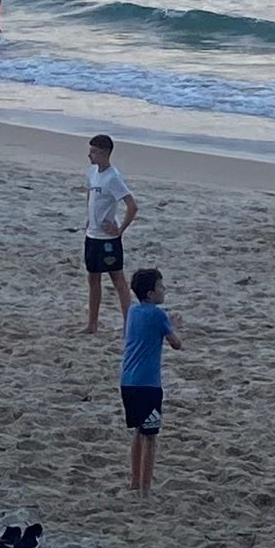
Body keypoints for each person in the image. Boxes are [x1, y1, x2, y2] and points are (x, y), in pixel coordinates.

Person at [119, 265, 178, 495]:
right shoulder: (158, 314)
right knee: (151, 437)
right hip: (148, 384)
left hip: (127, 381)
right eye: (161, 286)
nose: (164, 290)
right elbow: (176, 343)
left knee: (137, 432)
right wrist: (174, 327)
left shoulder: (133, 311)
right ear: (151, 293)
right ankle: (146, 487)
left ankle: (134, 481)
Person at [83, 133, 138, 332]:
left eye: (94, 152)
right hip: (92, 234)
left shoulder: (113, 177)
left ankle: (128, 325)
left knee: (118, 280)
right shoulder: (92, 172)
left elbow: (132, 206)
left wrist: (120, 229)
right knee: (93, 278)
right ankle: (92, 324)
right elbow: (91, 194)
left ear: (105, 152)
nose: (90, 156)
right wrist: (90, 218)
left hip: (108, 239)